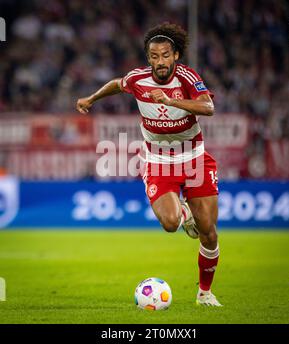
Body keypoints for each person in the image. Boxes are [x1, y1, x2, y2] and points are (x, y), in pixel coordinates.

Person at [76, 23, 222, 307]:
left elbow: (208, 108)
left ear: (176, 55)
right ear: (148, 58)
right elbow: (118, 84)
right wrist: (92, 98)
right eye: (154, 56)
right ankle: (181, 210)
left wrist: (171, 100)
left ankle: (204, 293)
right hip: (158, 161)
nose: (159, 62)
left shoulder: (188, 78)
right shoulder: (138, 79)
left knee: (209, 231)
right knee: (170, 223)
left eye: (165, 55)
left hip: (194, 159)